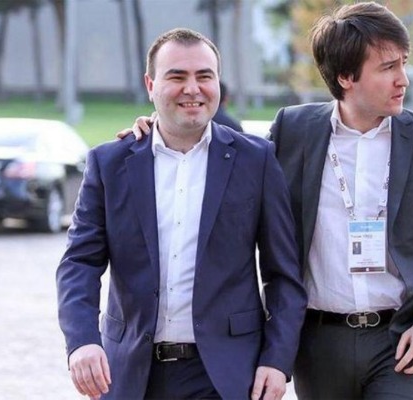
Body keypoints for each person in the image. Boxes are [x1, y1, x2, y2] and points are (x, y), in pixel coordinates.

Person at [122, 3, 413, 399]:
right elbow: (227, 155)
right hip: (316, 344)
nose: (403, 79)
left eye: (403, 64)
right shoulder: (293, 130)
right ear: (346, 77)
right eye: (388, 67)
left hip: (401, 342)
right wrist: (157, 127)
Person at [56, 28, 307, 400]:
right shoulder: (109, 163)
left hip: (226, 377)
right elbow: (79, 262)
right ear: (150, 84)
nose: (193, 88)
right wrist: (82, 340)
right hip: (129, 374)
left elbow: (284, 274)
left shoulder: (256, 161)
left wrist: (276, 360)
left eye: (204, 76)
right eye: (177, 77)